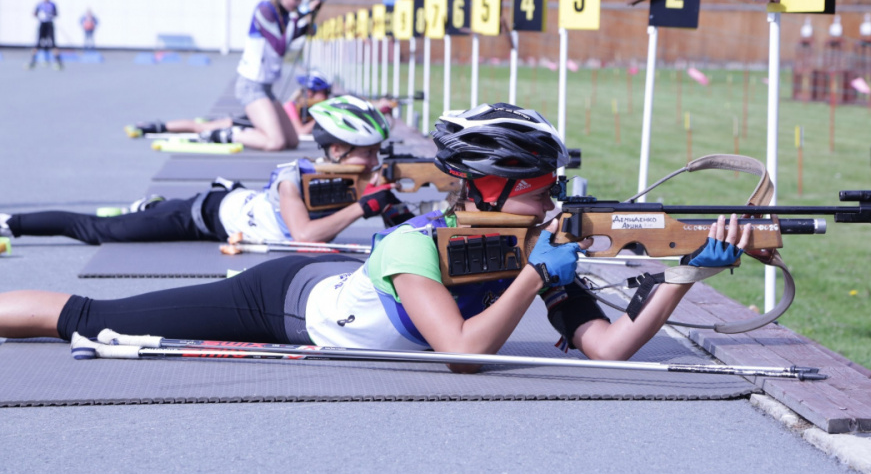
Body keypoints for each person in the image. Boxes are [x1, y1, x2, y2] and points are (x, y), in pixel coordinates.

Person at [0, 103, 750, 371]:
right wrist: (534, 277)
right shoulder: (417, 245)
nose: (553, 197)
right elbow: (462, 353)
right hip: (280, 301)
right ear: (488, 188)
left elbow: (610, 350)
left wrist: (684, 278)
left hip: (310, 301)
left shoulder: (534, 252)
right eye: (539, 186)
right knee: (96, 321)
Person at [0, 96, 410, 247]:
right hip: (202, 216)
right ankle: (11, 223)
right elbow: (304, 237)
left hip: (233, 210)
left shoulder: (352, 180)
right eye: (367, 153)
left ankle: (152, 207)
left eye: (378, 152)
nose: (375, 162)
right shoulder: (293, 178)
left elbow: (398, 231)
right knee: (100, 232)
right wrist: (365, 205)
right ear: (336, 149)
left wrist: (395, 211)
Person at [199, 0, 324, 151]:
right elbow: (280, 46)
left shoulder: (284, 15)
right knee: (276, 142)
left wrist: (308, 23)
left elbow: (293, 33)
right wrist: (300, 15)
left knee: (292, 140)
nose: (297, 2)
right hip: (251, 87)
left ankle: (243, 130)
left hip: (266, 88)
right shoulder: (264, 10)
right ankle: (226, 134)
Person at [127, 73, 334, 140]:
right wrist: (321, 116)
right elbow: (298, 132)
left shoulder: (299, 105)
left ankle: (159, 126)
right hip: (245, 121)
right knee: (199, 127)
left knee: (201, 126)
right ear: (312, 94)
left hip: (252, 122)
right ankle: (156, 127)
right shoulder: (290, 106)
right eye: (324, 94)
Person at [27, 0, 62, 70]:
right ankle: (33, 61)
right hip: (42, 24)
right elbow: (35, 13)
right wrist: (38, 15)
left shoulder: (52, 4)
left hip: (49, 24)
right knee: (38, 43)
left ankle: (58, 62)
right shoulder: (40, 4)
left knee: (53, 43)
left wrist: (50, 15)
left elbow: (56, 13)